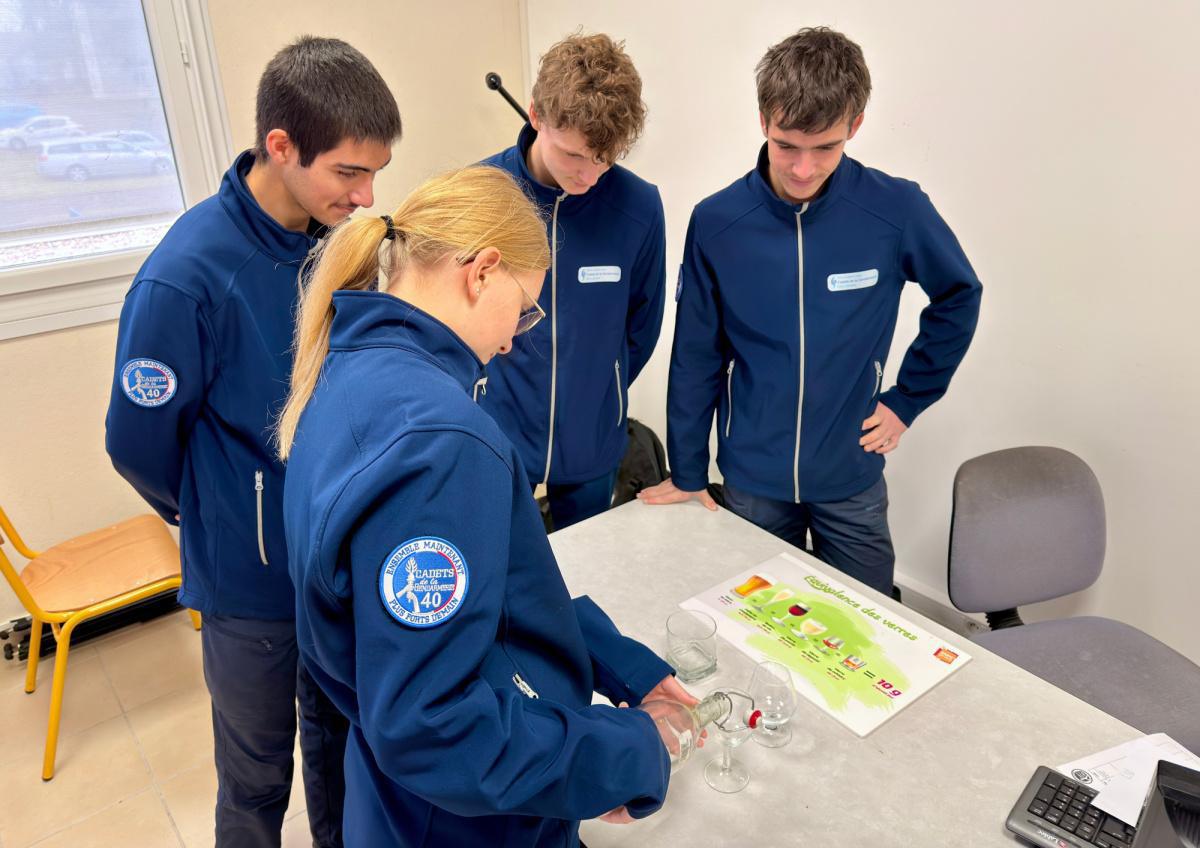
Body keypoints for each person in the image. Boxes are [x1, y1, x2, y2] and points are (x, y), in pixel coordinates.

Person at [276, 165, 691, 847]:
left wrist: (621, 663)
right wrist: (626, 753)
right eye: (525, 308)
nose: (513, 338)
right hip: (463, 822)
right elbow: (434, 727)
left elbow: (490, 600)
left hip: (400, 802)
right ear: (484, 271)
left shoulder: (350, 371)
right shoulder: (441, 441)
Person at [105, 36, 401, 847]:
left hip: (334, 566)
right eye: (349, 171)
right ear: (280, 146)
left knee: (342, 752)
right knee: (256, 778)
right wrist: (224, 513)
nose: (368, 194)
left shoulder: (335, 240)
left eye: (375, 171)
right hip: (249, 587)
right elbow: (137, 444)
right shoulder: (187, 275)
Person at [640, 27, 983, 596]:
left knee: (870, 627)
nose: (802, 169)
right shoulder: (717, 222)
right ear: (763, 121)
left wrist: (907, 399)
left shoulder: (895, 210)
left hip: (849, 476)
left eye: (825, 148)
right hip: (752, 479)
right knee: (756, 626)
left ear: (855, 125)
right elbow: (697, 352)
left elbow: (959, 294)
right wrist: (691, 468)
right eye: (786, 145)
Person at [480, 33, 667, 530]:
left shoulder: (639, 206)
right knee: (501, 578)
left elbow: (642, 326)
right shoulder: (482, 193)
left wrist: (596, 386)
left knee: (582, 577)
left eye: (604, 159)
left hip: (592, 439)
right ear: (536, 115)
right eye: (573, 156)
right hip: (497, 434)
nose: (588, 176)